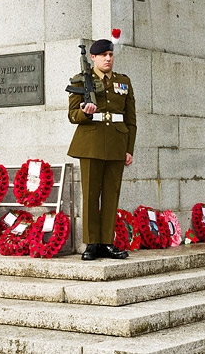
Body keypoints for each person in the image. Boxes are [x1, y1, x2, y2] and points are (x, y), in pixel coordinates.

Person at [67, 37, 136, 261]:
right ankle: (92, 243)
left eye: (111, 55)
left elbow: (131, 119)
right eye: (103, 55)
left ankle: (107, 242)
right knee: (90, 195)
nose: (108, 58)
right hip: (90, 143)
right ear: (93, 58)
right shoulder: (80, 81)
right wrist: (86, 113)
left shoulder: (123, 81)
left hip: (116, 143)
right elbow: (72, 115)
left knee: (110, 195)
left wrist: (129, 149)